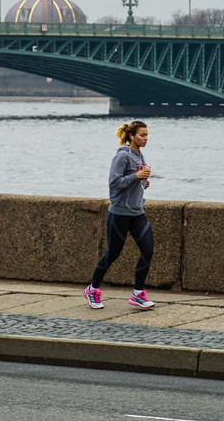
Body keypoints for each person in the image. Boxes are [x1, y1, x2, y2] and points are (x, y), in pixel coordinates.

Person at [84, 120, 155, 310]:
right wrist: (135, 177)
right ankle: (92, 289)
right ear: (132, 136)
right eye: (142, 135)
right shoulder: (123, 156)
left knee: (148, 250)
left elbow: (134, 182)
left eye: (147, 135)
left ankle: (137, 294)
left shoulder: (140, 156)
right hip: (120, 214)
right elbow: (114, 183)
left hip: (137, 212)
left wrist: (143, 183)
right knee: (112, 254)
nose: (146, 138)